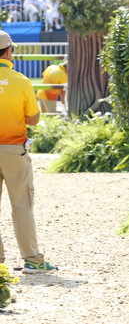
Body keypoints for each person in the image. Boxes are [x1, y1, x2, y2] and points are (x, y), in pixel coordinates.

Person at [0, 31, 57, 273]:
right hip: (14, 150)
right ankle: (32, 260)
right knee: (21, 206)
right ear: (9, 51)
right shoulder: (21, 81)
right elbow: (33, 119)